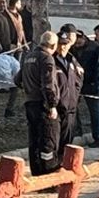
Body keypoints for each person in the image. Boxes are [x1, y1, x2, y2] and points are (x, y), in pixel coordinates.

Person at [17, 32, 61, 176]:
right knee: (48, 140)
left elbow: (17, 79)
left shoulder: (29, 56)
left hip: (29, 103)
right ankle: (48, 174)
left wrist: (28, 87)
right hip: (43, 104)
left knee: (34, 139)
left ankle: (36, 172)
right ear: (53, 45)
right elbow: (48, 84)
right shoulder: (46, 58)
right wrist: (52, 104)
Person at [53, 25, 84, 155]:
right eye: (60, 44)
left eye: (65, 44)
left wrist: (75, 95)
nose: (63, 47)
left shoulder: (72, 60)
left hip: (71, 105)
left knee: (67, 141)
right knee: (55, 140)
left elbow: (79, 77)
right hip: (57, 106)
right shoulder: (51, 60)